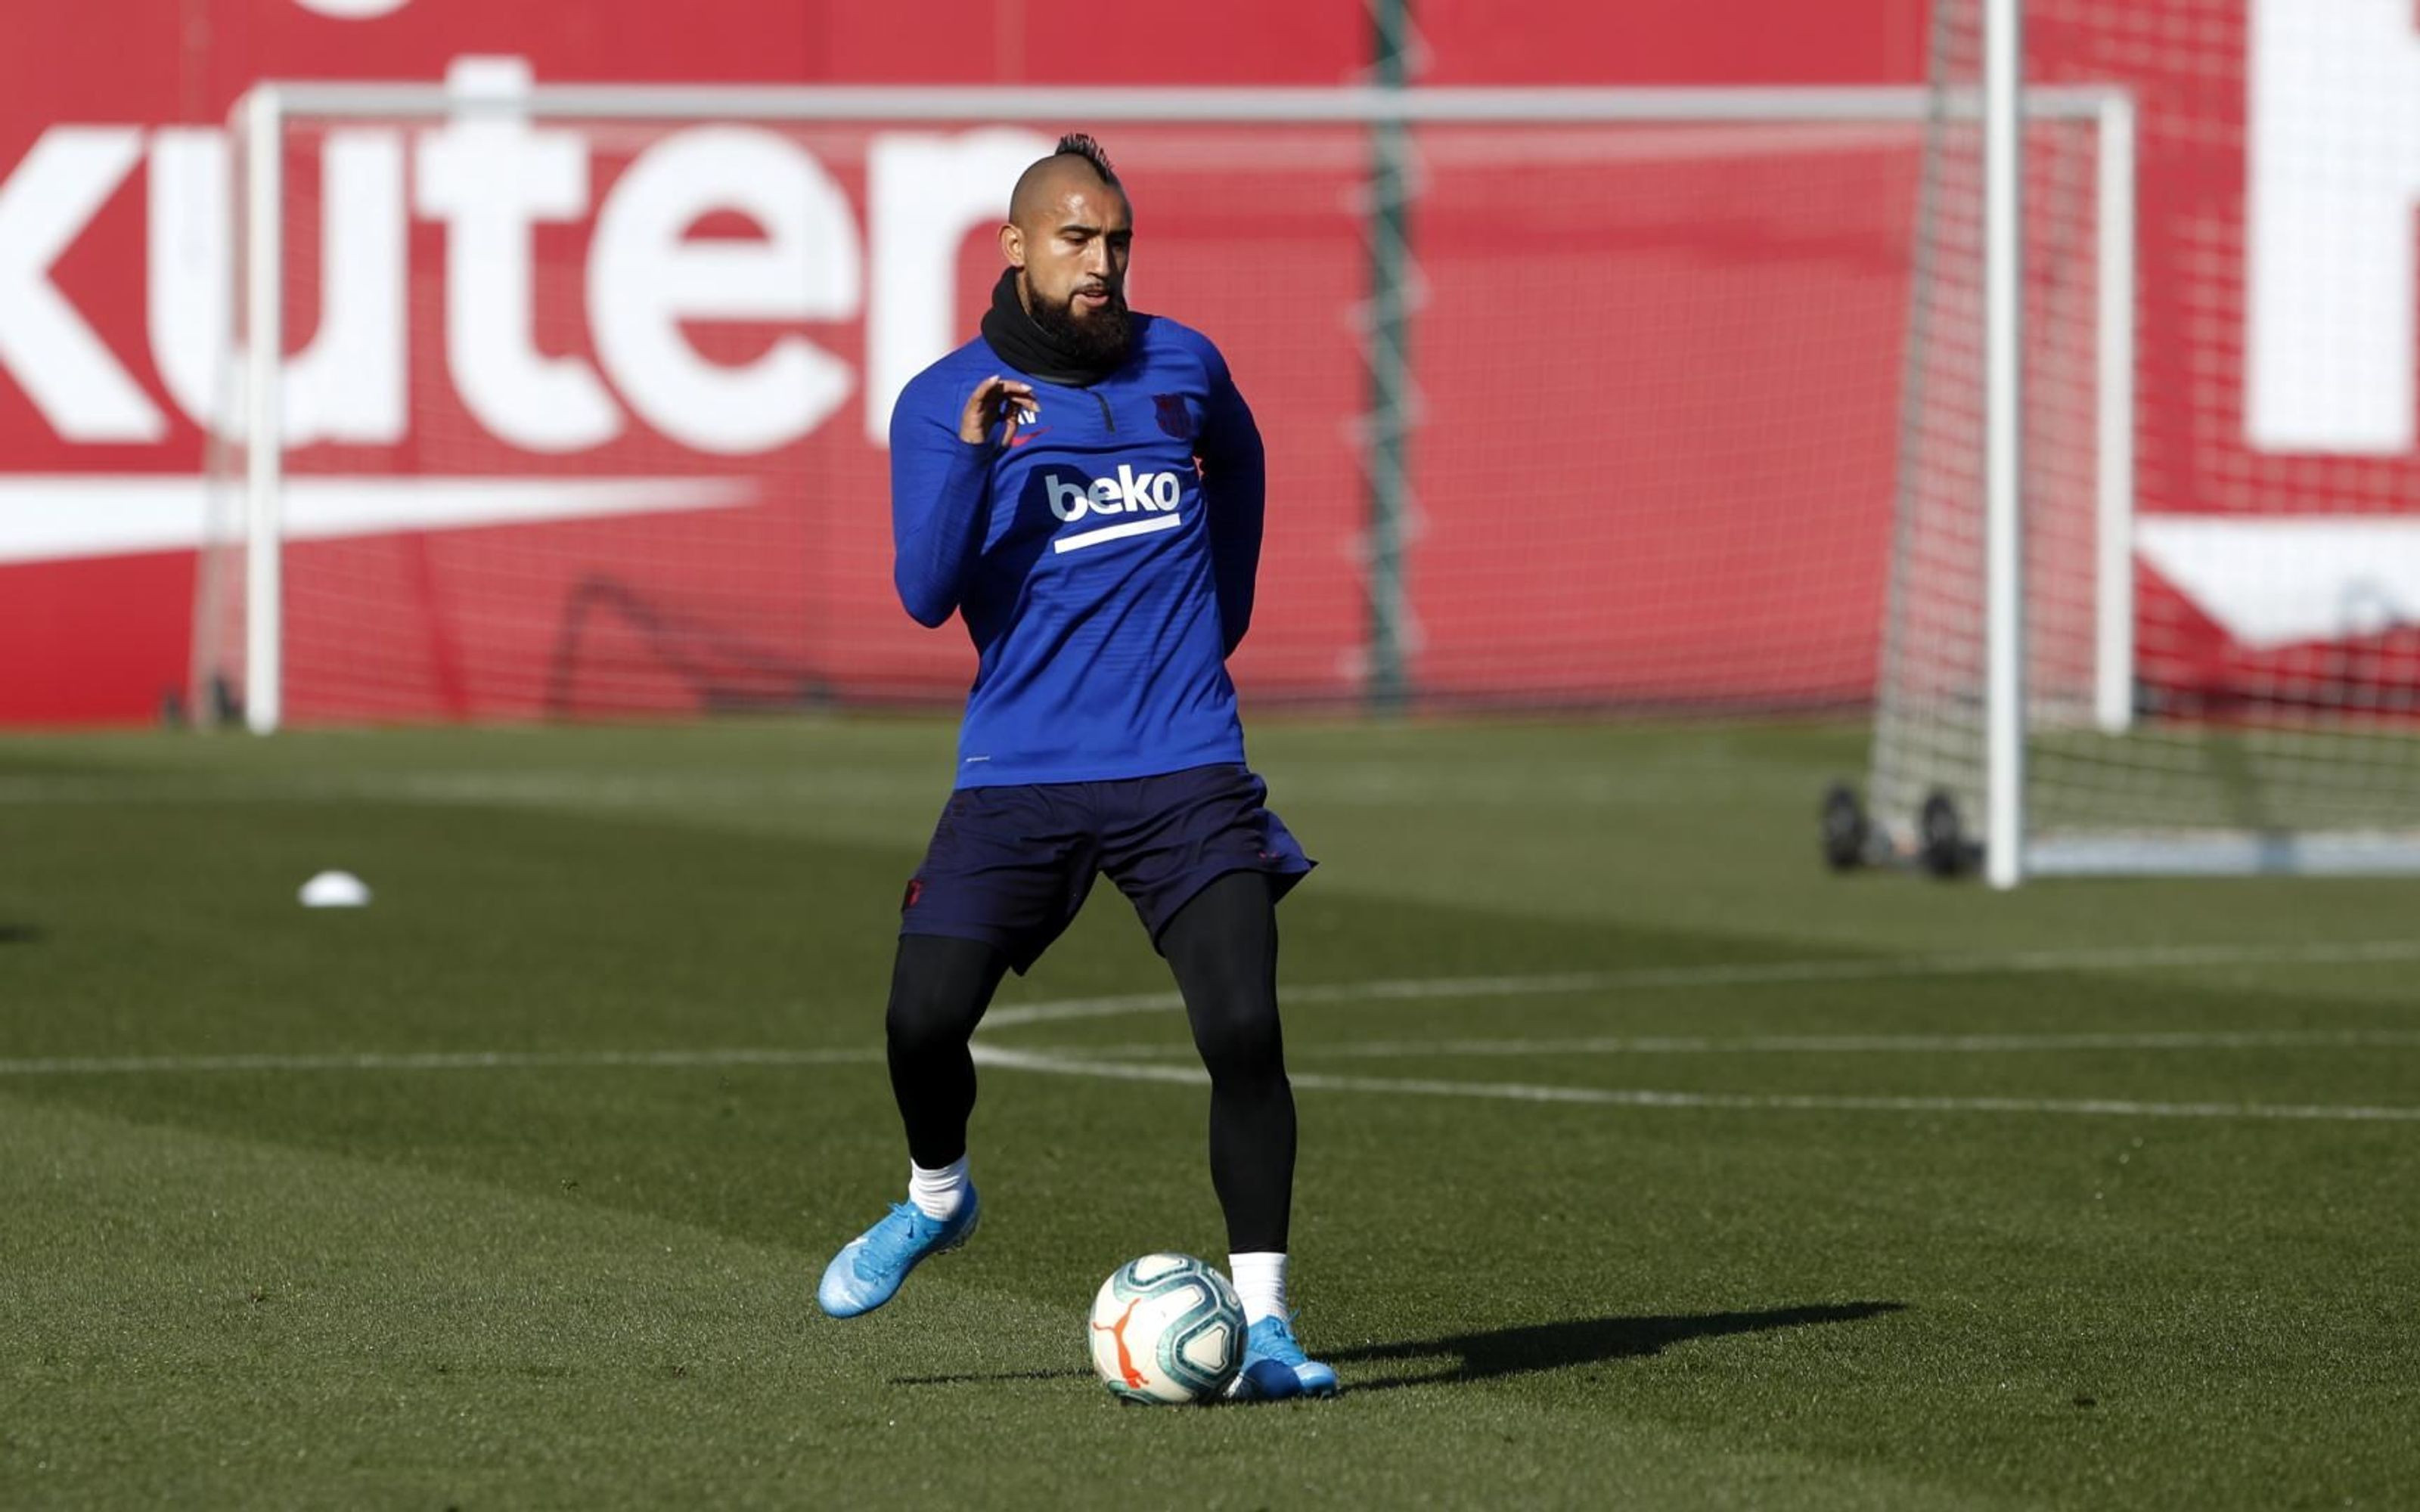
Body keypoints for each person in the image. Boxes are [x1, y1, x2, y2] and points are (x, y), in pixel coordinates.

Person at [815, 133, 1335, 1401]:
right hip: (1019, 771)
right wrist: (984, 456)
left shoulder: (1185, 364)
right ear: (1014, 246)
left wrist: (1226, 618)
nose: (1102, 265)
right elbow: (925, 595)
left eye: (1117, 243)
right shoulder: (946, 398)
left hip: (1183, 764)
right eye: (1076, 241)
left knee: (1244, 1028)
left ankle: (1264, 1326)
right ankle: (938, 1196)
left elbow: (1248, 463)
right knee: (920, 1021)